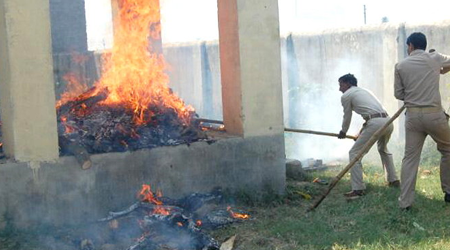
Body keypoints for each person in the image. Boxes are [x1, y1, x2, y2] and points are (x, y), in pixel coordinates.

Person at [394, 32, 450, 210]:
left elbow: (398, 94)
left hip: (412, 116)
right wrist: (441, 69)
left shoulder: (400, 65)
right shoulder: (434, 58)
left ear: (410, 46)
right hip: (434, 115)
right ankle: (449, 191)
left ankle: (405, 202)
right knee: (448, 150)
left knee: (410, 159)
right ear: (424, 45)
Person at [338, 73, 399, 199]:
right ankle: (393, 180)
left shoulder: (346, 95)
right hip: (388, 121)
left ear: (348, 83)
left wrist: (343, 132)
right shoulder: (365, 91)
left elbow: (347, 116)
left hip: (375, 123)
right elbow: (372, 114)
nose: (340, 89)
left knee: (354, 154)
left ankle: (358, 189)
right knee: (383, 149)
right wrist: (361, 133)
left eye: (341, 85)